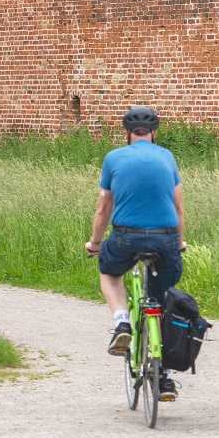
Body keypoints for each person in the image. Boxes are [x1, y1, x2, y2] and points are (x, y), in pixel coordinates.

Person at [85, 106, 186, 401]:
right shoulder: (167, 157)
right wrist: (180, 241)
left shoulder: (114, 158)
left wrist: (94, 242)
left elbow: (104, 206)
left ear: (127, 133)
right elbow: (178, 207)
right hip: (166, 238)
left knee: (109, 273)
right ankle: (164, 378)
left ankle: (121, 321)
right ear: (154, 132)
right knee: (161, 299)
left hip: (126, 236)